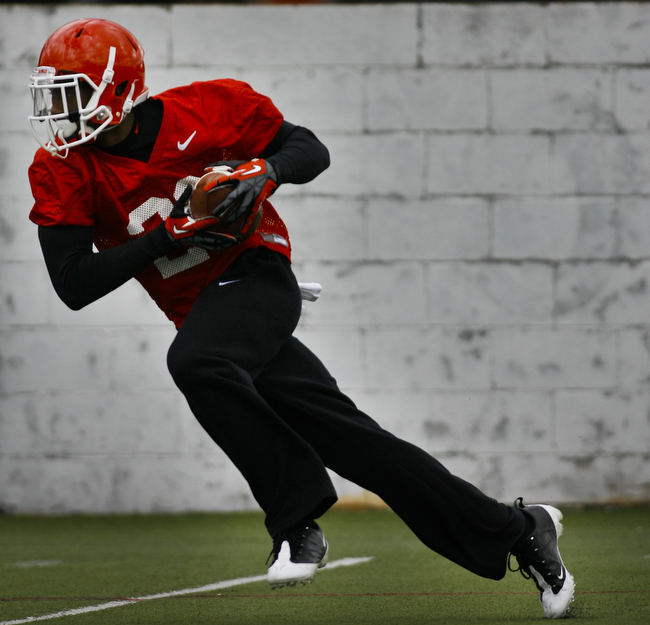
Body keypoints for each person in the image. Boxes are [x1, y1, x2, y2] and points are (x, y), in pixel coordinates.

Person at [27, 18, 575, 619]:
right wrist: (168, 235)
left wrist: (265, 172)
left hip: (257, 279)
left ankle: (296, 519)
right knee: (362, 445)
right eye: (50, 94)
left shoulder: (210, 107)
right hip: (209, 315)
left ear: (119, 89)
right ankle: (520, 529)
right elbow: (74, 284)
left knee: (194, 361)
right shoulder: (62, 168)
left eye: (70, 92)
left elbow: (309, 148)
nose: (57, 110)